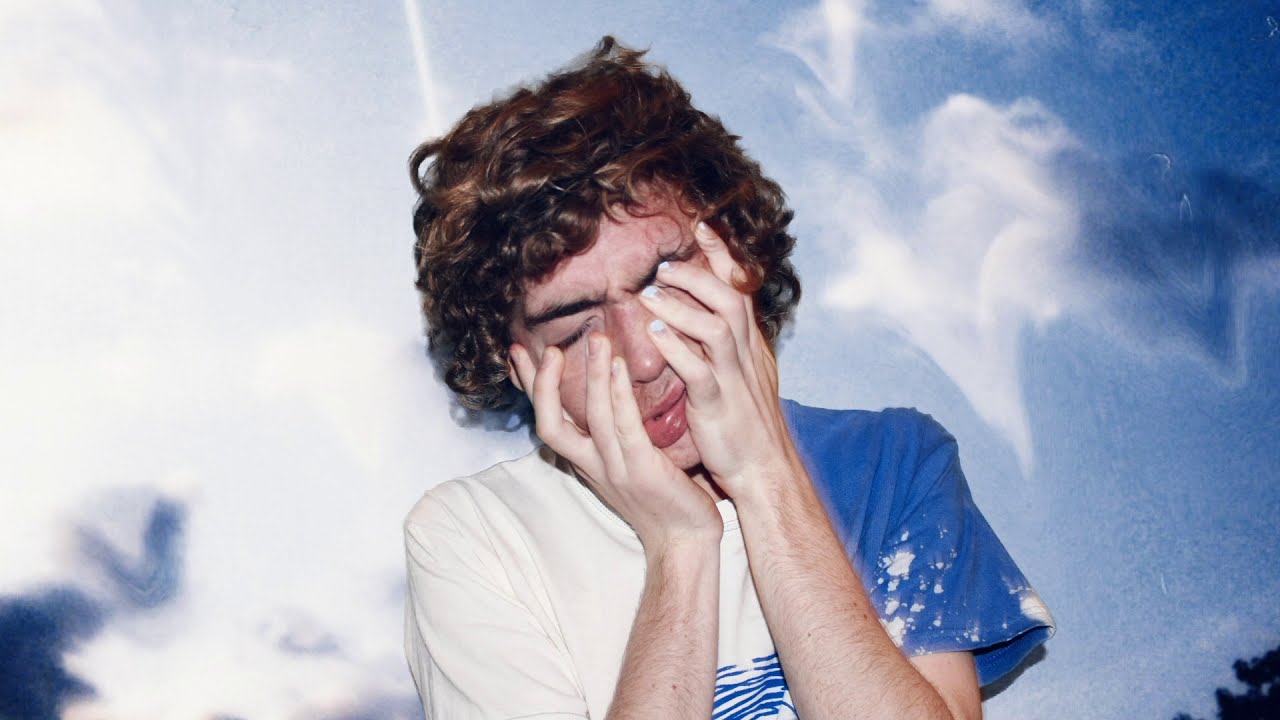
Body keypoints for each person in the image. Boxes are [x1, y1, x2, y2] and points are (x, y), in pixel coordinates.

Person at [403, 37, 1053, 719]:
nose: (645, 359)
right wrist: (681, 548)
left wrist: (764, 475)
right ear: (520, 365)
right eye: (575, 330)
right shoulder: (475, 537)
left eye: (664, 283)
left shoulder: (889, 465)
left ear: (736, 255)